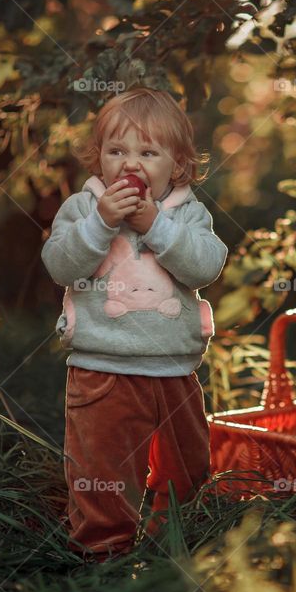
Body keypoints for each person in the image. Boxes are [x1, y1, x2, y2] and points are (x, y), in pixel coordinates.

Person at [41, 87, 228, 562]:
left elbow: (205, 267)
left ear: (177, 165)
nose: (131, 164)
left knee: (186, 466)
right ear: (98, 157)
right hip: (102, 369)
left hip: (174, 371)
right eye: (117, 151)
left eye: (148, 152)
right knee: (102, 469)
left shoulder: (187, 213)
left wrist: (156, 226)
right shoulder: (84, 209)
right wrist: (102, 225)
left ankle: (174, 545)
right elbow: (61, 266)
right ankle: (104, 555)